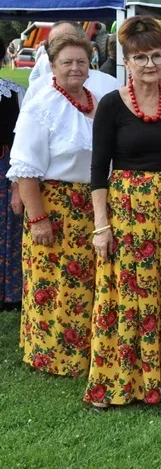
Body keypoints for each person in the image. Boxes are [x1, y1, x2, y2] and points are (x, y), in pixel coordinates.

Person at [84, 17, 161, 408]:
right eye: (140, 57)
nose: (149, 64)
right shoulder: (111, 104)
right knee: (126, 294)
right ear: (126, 62)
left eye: (156, 56)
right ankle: (117, 383)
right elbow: (99, 169)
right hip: (127, 209)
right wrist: (101, 226)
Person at [7, 30, 103, 376]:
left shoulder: (96, 100)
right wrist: (38, 219)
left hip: (91, 205)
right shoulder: (41, 106)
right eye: (67, 62)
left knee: (87, 281)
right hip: (55, 204)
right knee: (54, 282)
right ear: (52, 65)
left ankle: (91, 349)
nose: (75, 68)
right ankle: (54, 355)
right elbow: (25, 169)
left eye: (81, 61)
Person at [24, 22, 120, 103]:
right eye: (54, 43)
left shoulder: (110, 85)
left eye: (69, 41)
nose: (62, 47)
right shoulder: (37, 89)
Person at [0, 75, 25, 310]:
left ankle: (10, 293)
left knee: (8, 227)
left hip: (4, 169)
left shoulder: (13, 92)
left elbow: (21, 139)